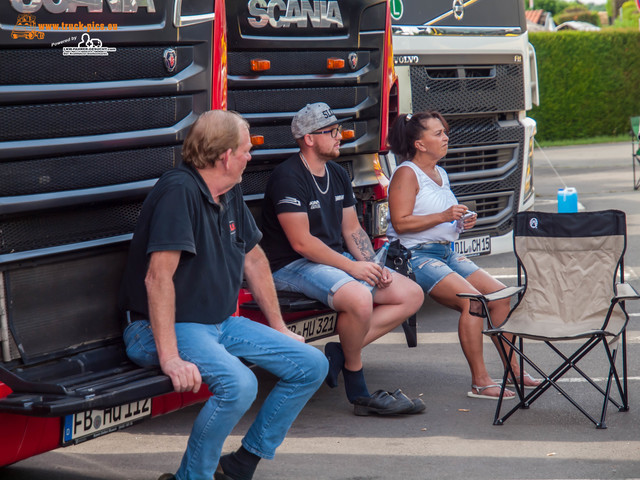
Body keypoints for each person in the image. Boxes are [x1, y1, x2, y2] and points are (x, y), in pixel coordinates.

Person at [118, 110, 328, 480]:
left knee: (311, 365)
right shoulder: (179, 191)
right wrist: (169, 358)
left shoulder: (228, 190)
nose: (251, 156)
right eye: (246, 150)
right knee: (239, 385)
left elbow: (255, 260)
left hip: (219, 324)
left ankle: (242, 463)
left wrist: (278, 325)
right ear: (225, 156)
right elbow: (157, 279)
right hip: (160, 328)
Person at [261, 103, 425, 416]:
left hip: (332, 259)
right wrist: (352, 267)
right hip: (290, 265)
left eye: (339, 130)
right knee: (359, 298)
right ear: (309, 139)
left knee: (410, 294)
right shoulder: (288, 176)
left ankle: (340, 351)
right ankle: (357, 385)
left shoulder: (336, 173)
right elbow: (302, 242)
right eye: (332, 132)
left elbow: (351, 229)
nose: (340, 137)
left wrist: (372, 265)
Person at [386, 111, 540, 400]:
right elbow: (401, 223)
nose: (446, 137)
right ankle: (481, 382)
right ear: (419, 144)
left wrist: (460, 221)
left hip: (445, 251)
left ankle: (515, 371)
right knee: (474, 303)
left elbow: (438, 219)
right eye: (438, 133)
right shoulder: (406, 173)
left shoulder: (440, 173)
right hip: (415, 255)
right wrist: (444, 215)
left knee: (500, 295)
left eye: (444, 132)